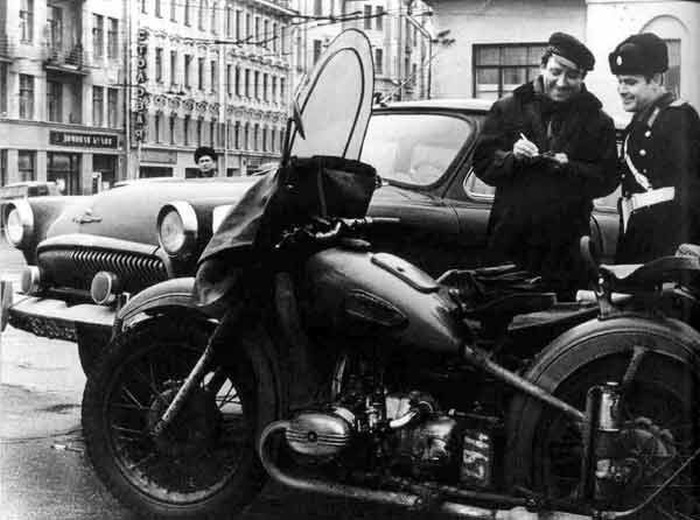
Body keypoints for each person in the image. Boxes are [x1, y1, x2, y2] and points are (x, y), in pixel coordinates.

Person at [473, 32, 619, 300]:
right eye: (556, 72)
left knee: (563, 318)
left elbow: (609, 179)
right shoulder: (508, 108)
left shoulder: (598, 121)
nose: (562, 83)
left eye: (572, 76)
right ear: (542, 67)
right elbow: (482, 162)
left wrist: (570, 167)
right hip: (512, 242)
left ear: (583, 77)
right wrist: (512, 157)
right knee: (505, 313)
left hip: (566, 248)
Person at [609, 33, 700, 263]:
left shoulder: (679, 118)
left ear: (657, 80)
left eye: (631, 82)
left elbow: (691, 193)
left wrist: (683, 256)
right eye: (619, 81)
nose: (621, 89)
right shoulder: (642, 119)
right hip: (638, 237)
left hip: (666, 245)